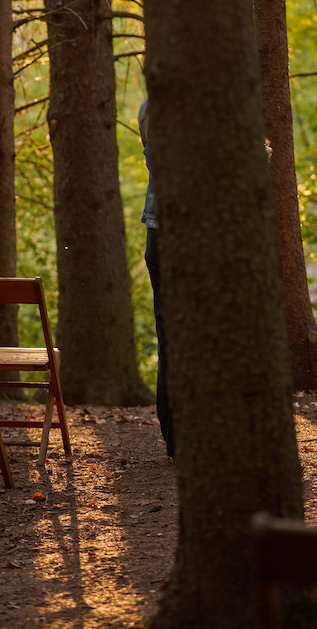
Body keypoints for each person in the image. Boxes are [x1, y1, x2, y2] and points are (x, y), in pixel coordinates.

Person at [138, 99, 174, 459]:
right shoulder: (192, 106)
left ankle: (176, 438)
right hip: (185, 233)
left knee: (170, 337)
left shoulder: (150, 107)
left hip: (158, 234)